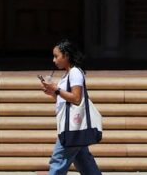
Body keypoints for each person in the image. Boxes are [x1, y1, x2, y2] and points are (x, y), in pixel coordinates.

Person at [39, 39, 102, 175]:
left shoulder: (75, 73)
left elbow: (76, 99)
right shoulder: (68, 74)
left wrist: (56, 89)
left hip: (72, 127)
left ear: (66, 55)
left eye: (56, 56)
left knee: (58, 160)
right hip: (74, 127)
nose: (54, 60)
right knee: (85, 162)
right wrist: (53, 93)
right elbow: (66, 99)